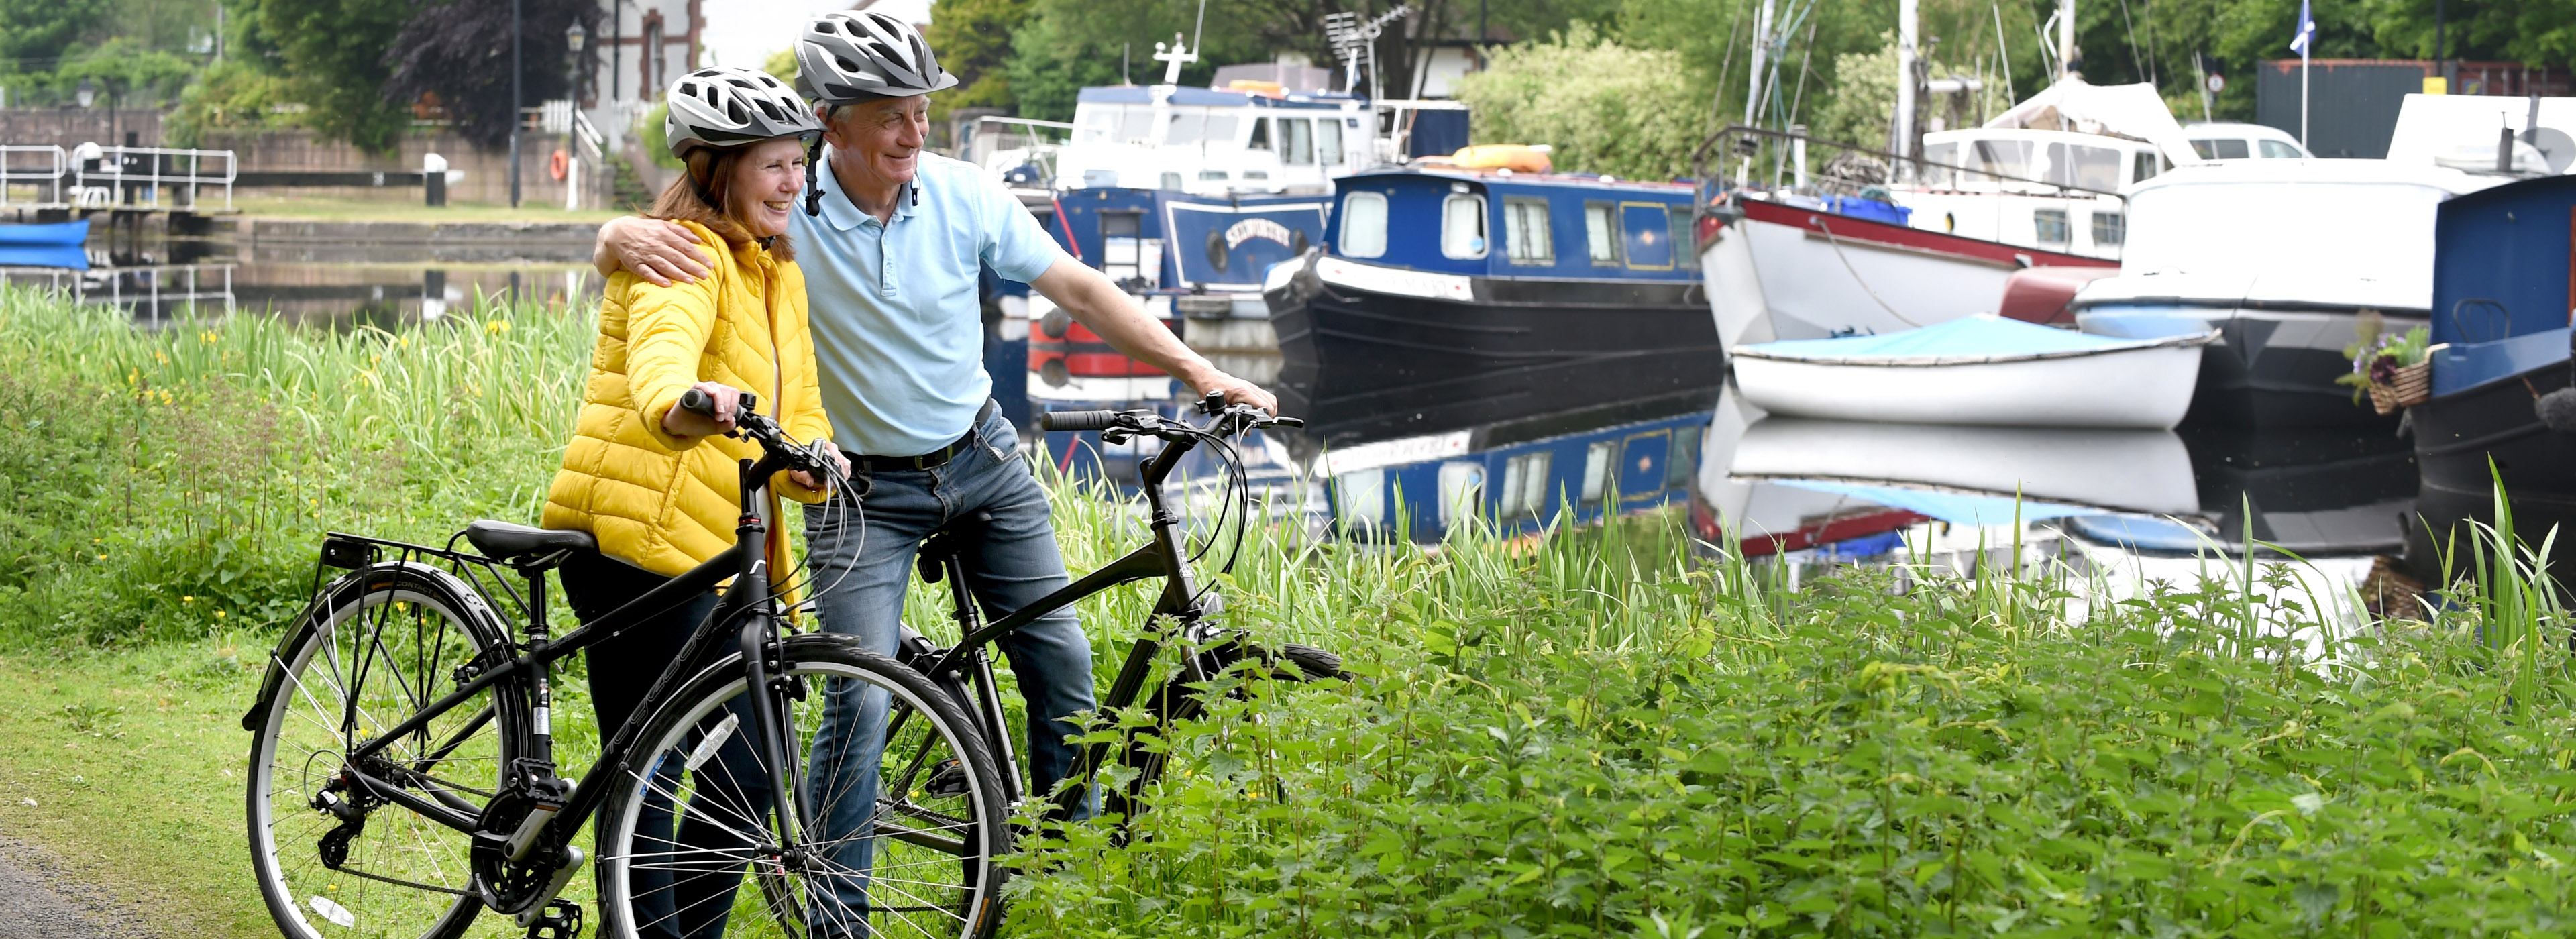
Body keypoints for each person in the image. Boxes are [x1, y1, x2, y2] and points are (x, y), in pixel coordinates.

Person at [591, 8, 1277, 922]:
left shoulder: (964, 194)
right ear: (832, 123)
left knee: (1061, 662)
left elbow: (1075, 287)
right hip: (859, 490)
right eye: (891, 116)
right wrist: (609, 236)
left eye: (921, 111)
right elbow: (689, 236)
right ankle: (839, 914)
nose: (915, 132)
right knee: (860, 697)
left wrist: (1199, 368)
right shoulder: (791, 208)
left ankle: (1061, 877)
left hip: (981, 455)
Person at [541, 65, 849, 938]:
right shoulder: (681, 251)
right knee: (654, 773)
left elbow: (798, 412)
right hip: (636, 538)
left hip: (721, 551)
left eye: (800, 163)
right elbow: (662, 360)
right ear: (718, 170)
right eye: (773, 165)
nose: (793, 181)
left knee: (748, 773)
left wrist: (816, 459)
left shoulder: (777, 271)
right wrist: (687, 401)